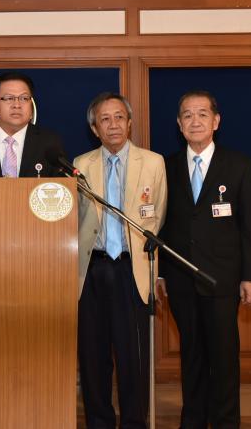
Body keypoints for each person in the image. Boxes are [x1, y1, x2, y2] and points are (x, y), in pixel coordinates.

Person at [156, 90, 251, 429]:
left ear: (216, 121)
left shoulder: (239, 165)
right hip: (180, 278)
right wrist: (160, 273)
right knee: (191, 356)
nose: (195, 121)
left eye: (202, 114)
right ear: (179, 124)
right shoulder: (165, 166)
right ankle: (193, 421)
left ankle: (226, 422)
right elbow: (159, 223)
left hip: (223, 279)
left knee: (224, 358)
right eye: (187, 115)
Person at [74, 92, 167, 429]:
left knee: (133, 357)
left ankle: (133, 422)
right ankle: (99, 421)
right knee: (93, 356)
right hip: (91, 269)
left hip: (133, 268)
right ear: (94, 129)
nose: (112, 124)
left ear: (129, 123)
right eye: (104, 119)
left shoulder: (153, 162)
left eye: (119, 117)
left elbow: (159, 215)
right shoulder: (80, 164)